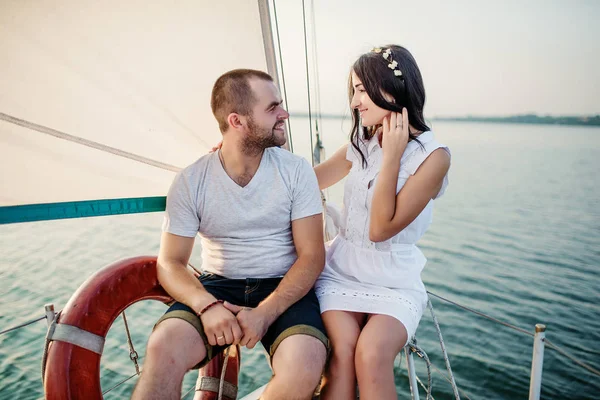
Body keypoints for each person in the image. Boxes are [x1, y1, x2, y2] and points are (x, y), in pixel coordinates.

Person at [132, 69, 328, 400]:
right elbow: (170, 262)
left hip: (284, 285)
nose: (284, 114)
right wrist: (206, 306)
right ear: (237, 121)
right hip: (217, 285)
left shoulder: (297, 172)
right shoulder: (191, 180)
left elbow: (312, 256)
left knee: (305, 364)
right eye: (272, 108)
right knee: (162, 347)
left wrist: (265, 313)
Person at [313, 45, 451, 399]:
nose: (355, 101)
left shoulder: (434, 158)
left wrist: (391, 157)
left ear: (390, 88)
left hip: (394, 281)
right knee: (341, 353)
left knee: (371, 354)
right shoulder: (361, 139)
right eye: (354, 90)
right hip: (341, 268)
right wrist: (242, 157)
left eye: (362, 89)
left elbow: (380, 229)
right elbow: (308, 180)